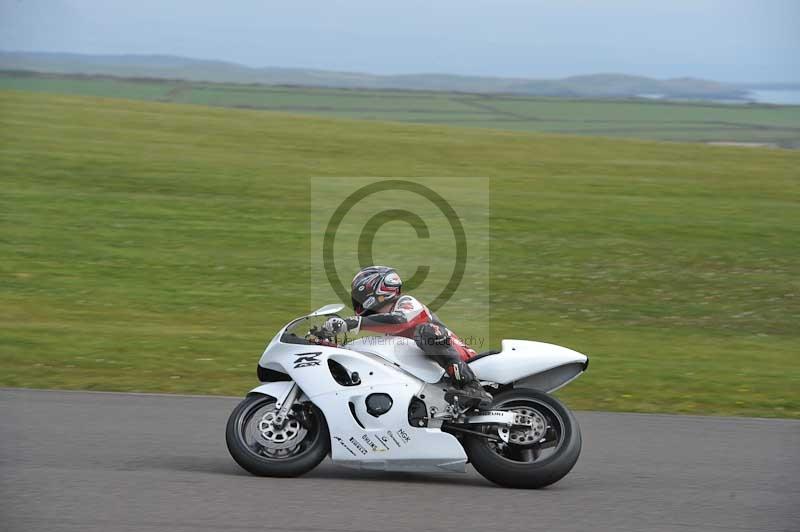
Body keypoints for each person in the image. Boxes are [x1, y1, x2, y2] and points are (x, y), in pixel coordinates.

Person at [322, 265, 492, 408]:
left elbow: (399, 320)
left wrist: (353, 323)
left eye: (359, 295)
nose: (357, 301)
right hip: (434, 373)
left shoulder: (406, 303)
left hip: (465, 361)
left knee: (426, 332)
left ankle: (472, 386)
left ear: (375, 290)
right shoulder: (384, 326)